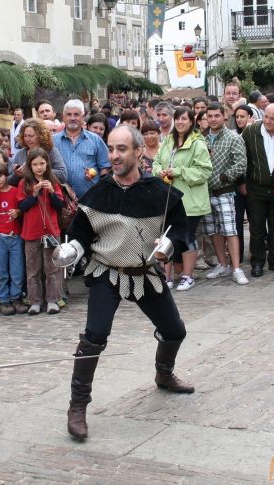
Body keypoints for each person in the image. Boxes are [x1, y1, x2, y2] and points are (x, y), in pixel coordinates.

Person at [62, 125, 193, 440]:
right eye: (111, 148)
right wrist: (72, 249)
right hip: (106, 272)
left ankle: (164, 374)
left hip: (143, 272)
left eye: (122, 149)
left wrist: (168, 245)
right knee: (94, 337)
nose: (115, 155)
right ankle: (77, 406)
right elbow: (80, 232)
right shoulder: (98, 193)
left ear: (138, 152)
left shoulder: (160, 192)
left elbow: (181, 226)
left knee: (175, 331)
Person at [153, 106, 213, 291]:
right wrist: (159, 171)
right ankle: (167, 276)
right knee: (167, 238)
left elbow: (204, 171)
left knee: (187, 237)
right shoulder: (168, 141)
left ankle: (187, 276)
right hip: (169, 200)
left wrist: (178, 172)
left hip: (190, 201)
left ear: (191, 121)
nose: (180, 122)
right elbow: (156, 162)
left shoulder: (197, 143)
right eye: (177, 118)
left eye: (184, 119)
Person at [241, 104, 274, 277]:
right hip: (255, 187)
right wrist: (242, 182)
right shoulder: (250, 132)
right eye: (266, 117)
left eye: (272, 118)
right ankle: (257, 262)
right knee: (256, 228)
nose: (268, 121)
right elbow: (243, 158)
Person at [202, 103, 249, 285]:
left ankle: (236, 268)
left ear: (224, 117)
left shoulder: (233, 137)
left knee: (230, 230)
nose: (213, 119)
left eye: (216, 115)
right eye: (210, 116)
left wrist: (224, 177)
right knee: (213, 231)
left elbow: (241, 164)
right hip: (205, 192)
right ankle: (222, 264)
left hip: (225, 191)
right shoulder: (201, 139)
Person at [18, 147, 65, 315]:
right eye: (35, 164)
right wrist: (34, 194)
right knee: (33, 270)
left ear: (47, 164)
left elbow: (60, 205)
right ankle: (35, 302)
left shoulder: (53, 181)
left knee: (52, 269)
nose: (39, 167)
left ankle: (53, 300)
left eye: (42, 163)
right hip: (31, 233)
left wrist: (52, 192)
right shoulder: (24, 183)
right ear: (30, 166)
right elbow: (22, 206)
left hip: (51, 233)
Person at [0, 162, 28, 316]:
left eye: (0, 176)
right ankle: (3, 299)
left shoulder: (15, 191)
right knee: (1, 271)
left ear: (6, 175)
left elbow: (22, 210)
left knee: (17, 270)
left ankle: (16, 298)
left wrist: (17, 212)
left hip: (15, 236)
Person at [53, 99, 110, 199]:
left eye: (76, 114)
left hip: (90, 199)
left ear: (83, 117)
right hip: (61, 200)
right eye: (69, 114)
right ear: (63, 117)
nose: (72, 118)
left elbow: (105, 166)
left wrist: (100, 187)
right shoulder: (52, 141)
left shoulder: (95, 139)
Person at [9, 118, 67, 186]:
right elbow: (9, 182)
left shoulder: (51, 151)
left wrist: (38, 170)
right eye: (25, 136)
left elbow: (63, 175)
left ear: (40, 136)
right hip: (27, 195)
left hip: (48, 194)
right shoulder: (20, 154)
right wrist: (17, 175)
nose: (27, 139)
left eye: (31, 136)